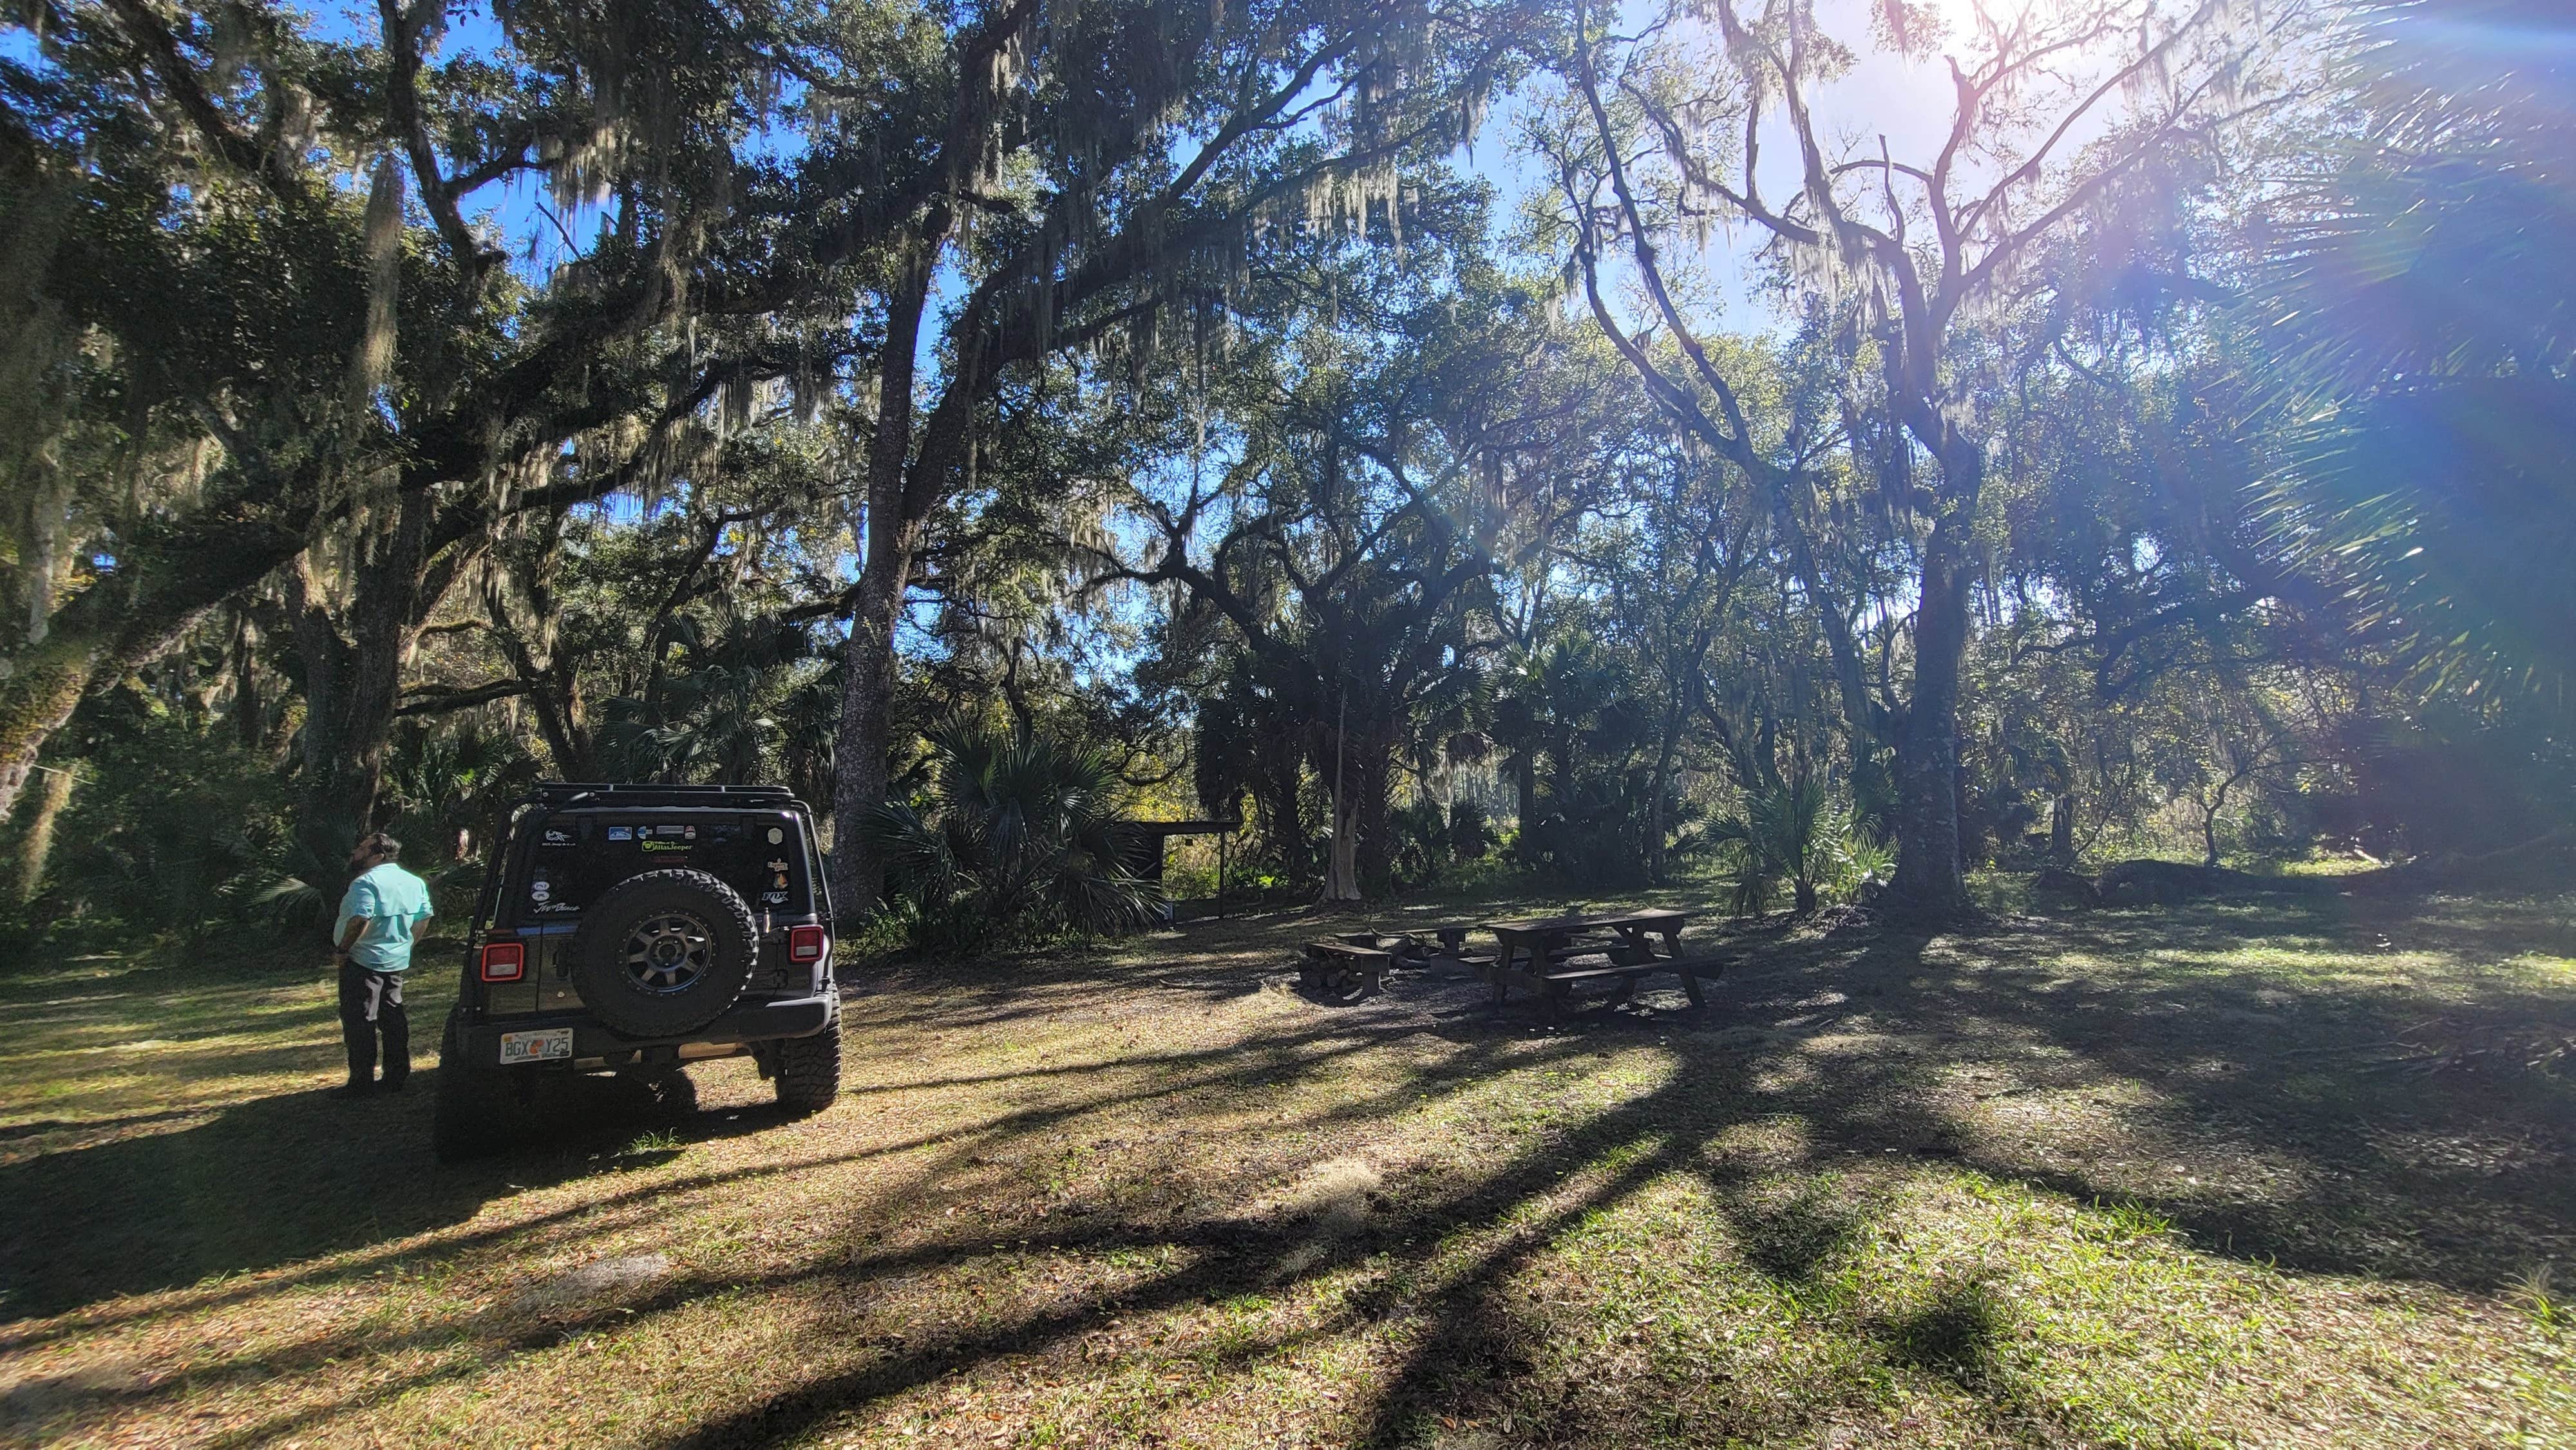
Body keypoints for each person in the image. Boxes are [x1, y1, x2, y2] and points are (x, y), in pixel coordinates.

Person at [330, 831, 434, 1098]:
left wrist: (343, 950)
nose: (356, 852)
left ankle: (361, 1082)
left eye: (363, 848)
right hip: (395, 960)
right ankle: (397, 1075)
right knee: (393, 1018)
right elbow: (423, 918)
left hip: (363, 961)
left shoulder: (365, 883)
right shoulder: (414, 882)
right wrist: (408, 946)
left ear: (378, 855)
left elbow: (360, 919)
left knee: (361, 1021)